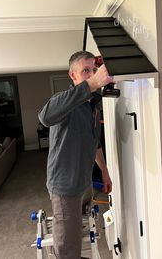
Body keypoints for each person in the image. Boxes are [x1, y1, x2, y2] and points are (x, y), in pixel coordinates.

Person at [38, 51, 113, 259]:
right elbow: (44, 117)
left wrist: (104, 173)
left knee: (78, 230)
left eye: (94, 70)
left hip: (84, 182)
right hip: (64, 188)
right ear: (73, 75)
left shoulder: (93, 105)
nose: (92, 75)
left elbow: (94, 143)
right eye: (85, 71)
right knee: (68, 247)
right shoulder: (65, 102)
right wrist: (91, 84)